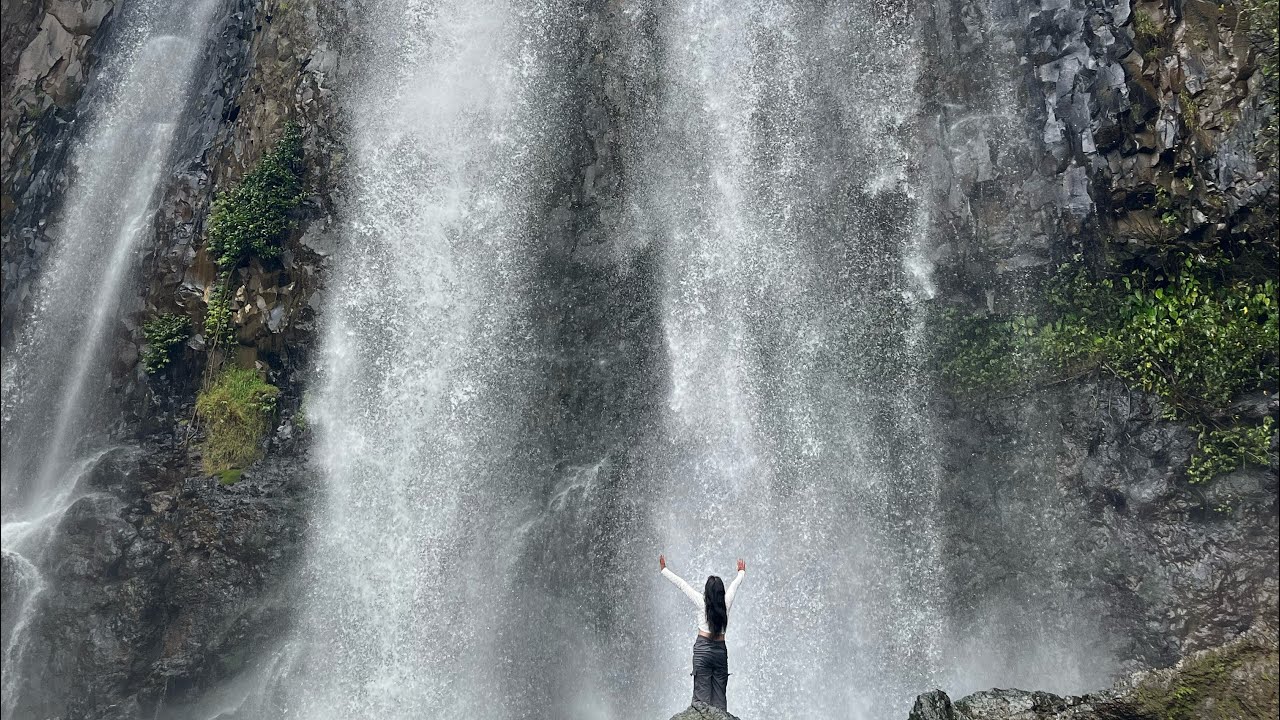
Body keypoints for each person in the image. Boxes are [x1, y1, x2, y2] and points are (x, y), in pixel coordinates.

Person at [659, 553, 746, 711]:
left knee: (701, 698)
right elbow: (735, 585)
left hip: (703, 650)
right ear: (721, 592)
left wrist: (664, 569)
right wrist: (741, 572)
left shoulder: (701, 601)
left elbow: (682, 585)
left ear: (707, 591)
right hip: (720, 651)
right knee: (719, 698)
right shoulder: (726, 603)